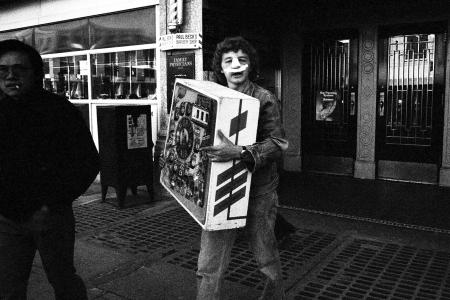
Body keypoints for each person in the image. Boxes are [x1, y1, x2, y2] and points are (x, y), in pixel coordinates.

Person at [0, 39, 100, 299]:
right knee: (9, 287)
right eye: (3, 70)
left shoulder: (58, 110)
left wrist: (52, 203)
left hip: (51, 219)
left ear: (34, 73)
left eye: (19, 69)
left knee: (63, 280)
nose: (10, 76)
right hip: (7, 221)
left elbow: (87, 162)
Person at [196, 36, 289, 300]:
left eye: (242, 60)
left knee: (265, 257)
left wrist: (238, 152)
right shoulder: (211, 96)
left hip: (258, 190)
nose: (236, 66)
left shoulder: (264, 98)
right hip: (221, 190)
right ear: (221, 68)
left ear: (250, 66)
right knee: (209, 262)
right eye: (229, 61)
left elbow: (279, 143)